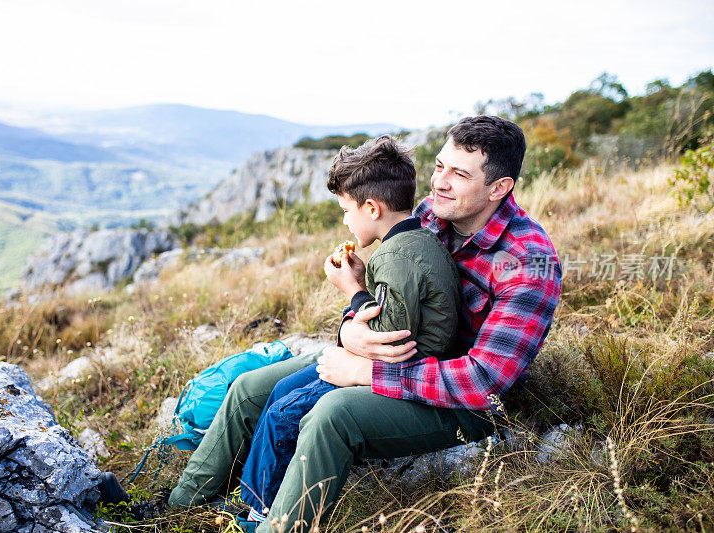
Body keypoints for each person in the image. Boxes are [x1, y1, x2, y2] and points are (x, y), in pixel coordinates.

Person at [167, 115, 562, 533]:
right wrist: (350, 327)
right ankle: (178, 507)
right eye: (438, 166)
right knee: (250, 389)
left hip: (459, 400)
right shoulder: (431, 215)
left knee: (331, 414)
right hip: (394, 352)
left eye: (459, 174)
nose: (439, 183)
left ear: (499, 188)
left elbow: (483, 382)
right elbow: (384, 299)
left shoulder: (528, 263)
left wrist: (367, 371)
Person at [238, 135, 460, 526]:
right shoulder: (416, 239)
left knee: (282, 414)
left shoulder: (395, 256)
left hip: (401, 375)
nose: (344, 220)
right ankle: (254, 494)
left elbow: (390, 336)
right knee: (281, 391)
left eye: (345, 210)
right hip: (399, 364)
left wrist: (352, 290)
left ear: (371, 207)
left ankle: (257, 511)